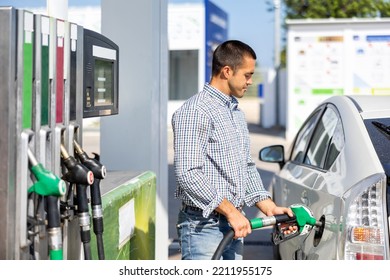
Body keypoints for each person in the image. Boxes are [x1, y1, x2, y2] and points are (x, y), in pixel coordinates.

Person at [171, 40, 294, 260]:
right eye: (247, 75)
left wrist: (268, 206)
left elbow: (245, 165)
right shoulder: (195, 111)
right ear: (227, 71)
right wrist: (231, 211)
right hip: (203, 227)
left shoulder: (235, 112)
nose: (250, 81)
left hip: (234, 222)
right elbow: (188, 173)